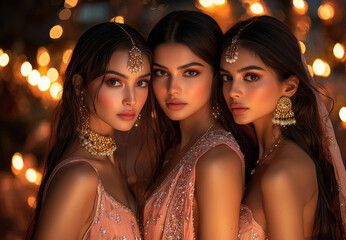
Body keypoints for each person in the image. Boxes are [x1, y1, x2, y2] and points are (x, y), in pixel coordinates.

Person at [220, 15, 346, 240]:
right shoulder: (267, 157)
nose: (233, 90)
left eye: (251, 77)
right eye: (227, 77)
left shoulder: (281, 174)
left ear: (289, 87)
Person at [27, 21, 154, 239]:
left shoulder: (110, 161)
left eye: (141, 83)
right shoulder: (79, 177)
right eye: (115, 82)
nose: (131, 100)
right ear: (79, 86)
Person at [143, 10, 253, 240]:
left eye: (190, 72)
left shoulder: (217, 161)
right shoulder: (173, 147)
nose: (173, 87)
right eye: (162, 72)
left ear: (216, 76)